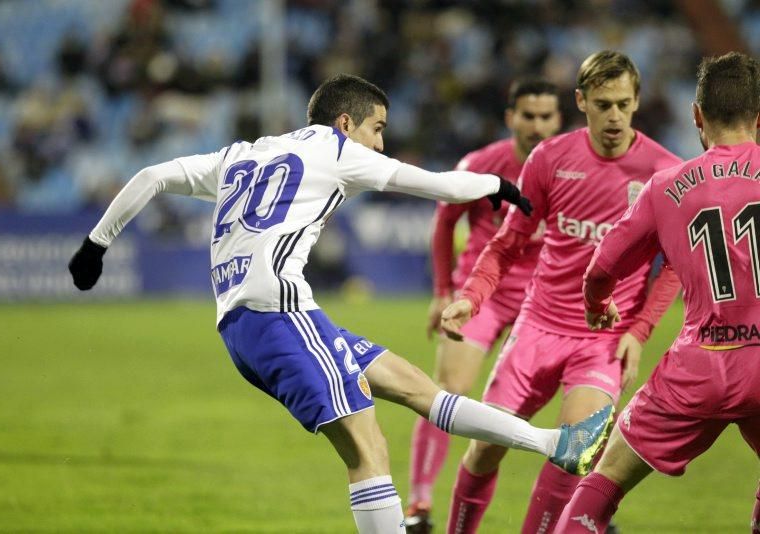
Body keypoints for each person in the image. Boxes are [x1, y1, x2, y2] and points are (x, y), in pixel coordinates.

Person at [67, 74, 614, 533]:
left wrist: (96, 244)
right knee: (367, 447)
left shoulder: (241, 155)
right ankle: (551, 445)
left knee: (415, 386)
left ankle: (555, 443)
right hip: (276, 318)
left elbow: (151, 176)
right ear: (347, 123)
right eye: (378, 129)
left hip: (268, 320)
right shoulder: (337, 151)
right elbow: (435, 185)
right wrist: (496, 182)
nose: (380, 144)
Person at [440, 51, 682, 533]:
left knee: (572, 459)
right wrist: (472, 296)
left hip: (602, 340)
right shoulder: (550, 159)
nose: (614, 116)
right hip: (538, 327)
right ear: (581, 101)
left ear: (636, 103)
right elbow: (506, 243)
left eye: (623, 104)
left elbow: (673, 266)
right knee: (484, 446)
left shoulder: (663, 172)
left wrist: (639, 329)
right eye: (602, 104)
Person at [555, 51, 760, 533]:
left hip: (700, 365)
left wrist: (597, 305)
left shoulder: (665, 186)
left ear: (696, 115)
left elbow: (602, 266)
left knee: (601, 485)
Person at [405, 78, 561, 532]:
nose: (536, 125)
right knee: (444, 393)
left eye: (545, 116)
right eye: (527, 116)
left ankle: (588, 509)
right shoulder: (481, 166)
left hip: (541, 301)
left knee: (567, 403)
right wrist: (441, 292)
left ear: (558, 118)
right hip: (481, 295)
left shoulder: (569, 168)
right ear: (511, 117)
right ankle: (418, 506)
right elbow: (443, 224)